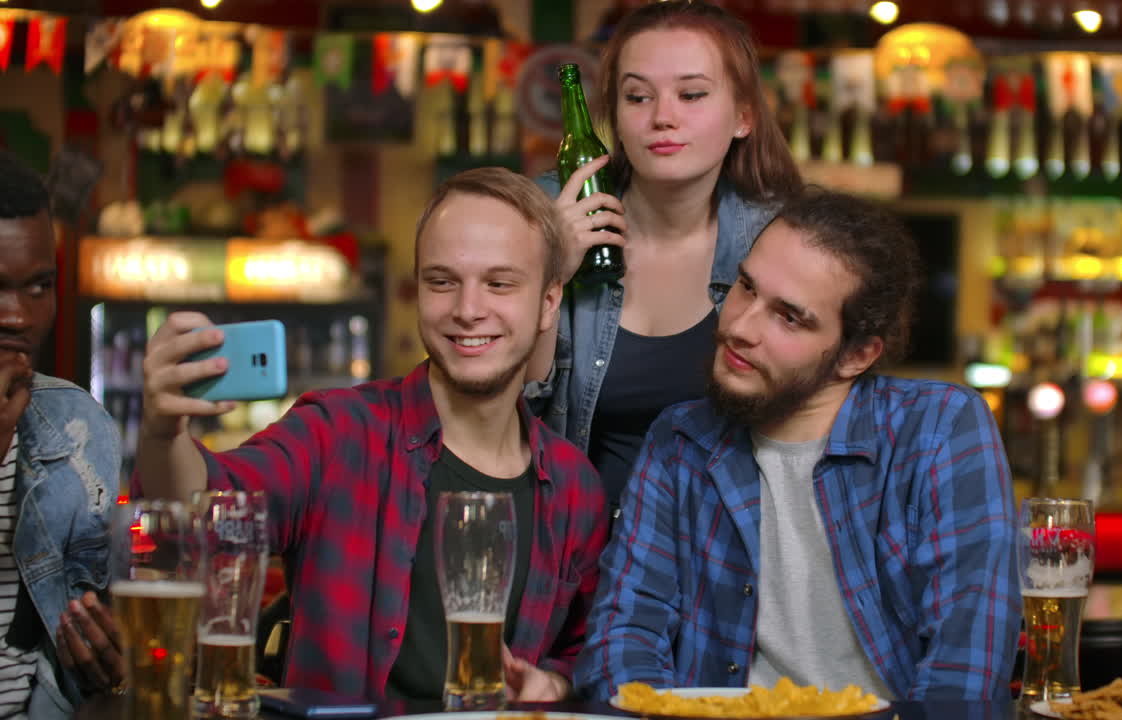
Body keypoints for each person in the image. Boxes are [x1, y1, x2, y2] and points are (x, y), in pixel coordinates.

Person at [134, 168, 609, 701]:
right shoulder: (338, 434)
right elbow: (203, 521)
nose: (468, 310)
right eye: (442, 281)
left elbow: (585, 650)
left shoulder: (575, 488)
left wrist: (556, 681)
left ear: (548, 303)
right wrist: (161, 431)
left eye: (499, 283)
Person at [574, 189, 1021, 701]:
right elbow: (621, 642)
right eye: (745, 287)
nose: (739, 327)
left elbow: (964, 670)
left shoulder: (940, 428)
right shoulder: (680, 440)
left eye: (788, 317)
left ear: (856, 355)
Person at [528, 0, 804, 514]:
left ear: (743, 116)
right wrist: (546, 273)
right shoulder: (545, 214)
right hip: (578, 556)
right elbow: (505, 416)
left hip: (729, 562)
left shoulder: (786, 240)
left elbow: (814, 426)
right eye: (638, 96)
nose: (662, 117)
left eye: (692, 94)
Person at [0, 150, 123, 718]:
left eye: (39, 286)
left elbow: (80, 682)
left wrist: (110, 672)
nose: (19, 317)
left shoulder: (78, 430)